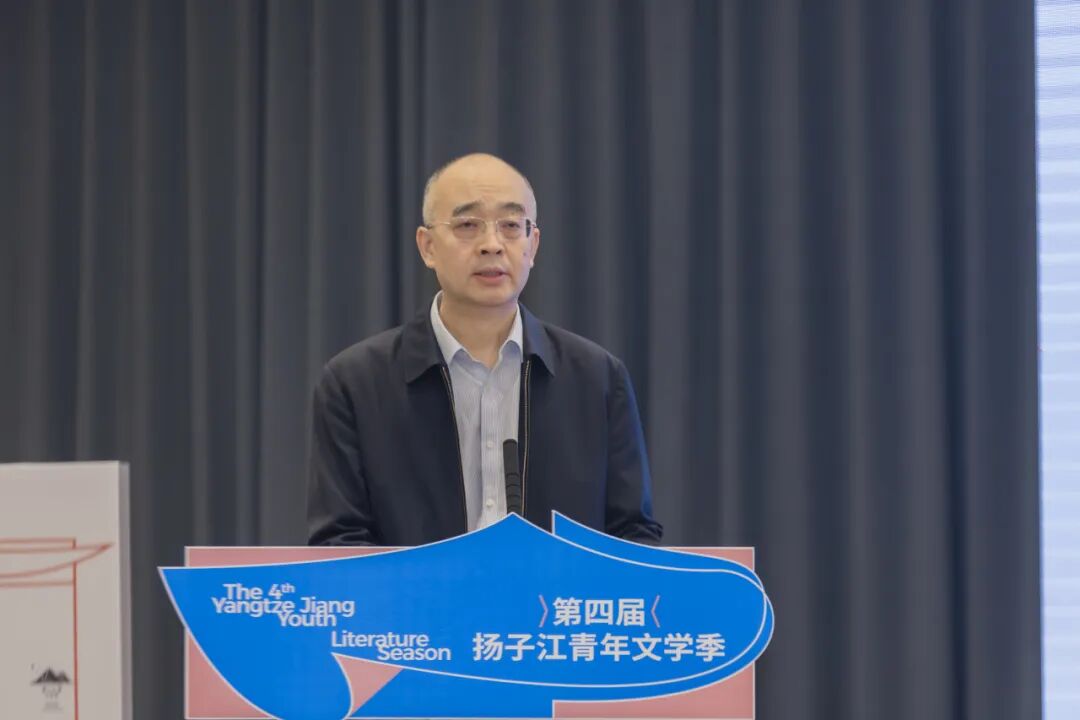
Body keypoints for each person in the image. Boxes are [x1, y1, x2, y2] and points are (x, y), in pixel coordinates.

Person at [307, 153, 661, 546]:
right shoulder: (355, 384)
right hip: (418, 590)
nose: (492, 245)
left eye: (511, 226)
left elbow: (633, 535)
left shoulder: (597, 379)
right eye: (467, 225)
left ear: (532, 245)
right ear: (427, 246)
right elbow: (339, 543)